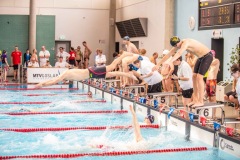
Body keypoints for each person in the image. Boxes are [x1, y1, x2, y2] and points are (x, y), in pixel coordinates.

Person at [155, 37, 213, 107]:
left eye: (177, 45)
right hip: (200, 58)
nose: (177, 47)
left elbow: (179, 53)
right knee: (194, 76)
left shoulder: (186, 42)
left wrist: (170, 61)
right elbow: (168, 55)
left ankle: (201, 101)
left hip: (207, 56)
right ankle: (195, 99)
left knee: (199, 77)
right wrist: (158, 64)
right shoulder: (177, 45)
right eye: (175, 46)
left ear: (179, 42)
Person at [35, 52, 138, 88]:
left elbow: (53, 81)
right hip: (92, 75)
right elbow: (52, 80)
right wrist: (42, 83)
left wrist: (41, 85)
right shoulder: (64, 74)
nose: (62, 81)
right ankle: (129, 75)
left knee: (111, 67)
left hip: (92, 72)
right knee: (111, 74)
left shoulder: (64, 74)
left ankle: (123, 55)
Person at [206, 50, 220, 119]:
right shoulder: (210, 61)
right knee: (209, 98)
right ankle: (210, 113)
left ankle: (214, 115)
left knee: (213, 98)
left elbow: (208, 63)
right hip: (208, 80)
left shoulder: (216, 60)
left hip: (212, 81)